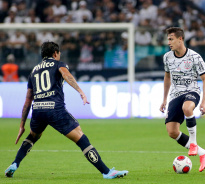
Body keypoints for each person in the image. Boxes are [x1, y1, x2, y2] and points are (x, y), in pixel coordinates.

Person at [5, 41, 128, 179]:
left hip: (38, 110)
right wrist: (80, 91)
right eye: (59, 53)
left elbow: (28, 99)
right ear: (55, 53)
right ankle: (106, 172)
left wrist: (22, 125)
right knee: (81, 138)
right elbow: (66, 75)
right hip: (55, 109)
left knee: (32, 137)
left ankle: (15, 164)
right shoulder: (59, 64)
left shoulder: (34, 71)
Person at [159, 27, 205, 172]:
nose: (168, 42)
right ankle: (204, 153)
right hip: (175, 94)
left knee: (187, 108)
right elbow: (167, 77)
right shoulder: (167, 57)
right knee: (172, 132)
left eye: (171, 39)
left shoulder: (195, 57)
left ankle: (193, 143)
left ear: (180, 39)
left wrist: (204, 101)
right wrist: (164, 99)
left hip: (191, 91)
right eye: (168, 39)